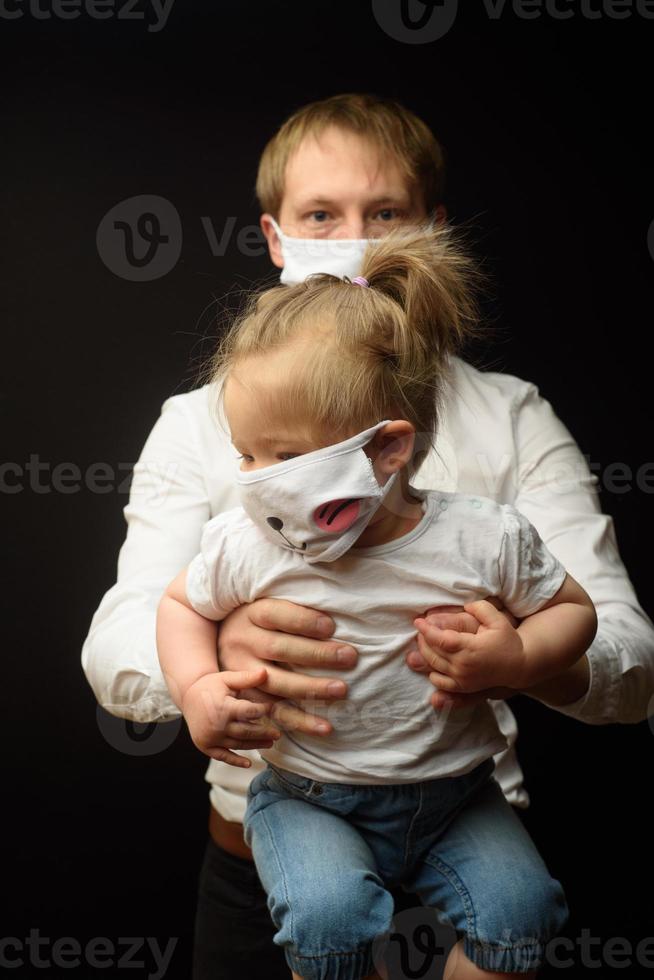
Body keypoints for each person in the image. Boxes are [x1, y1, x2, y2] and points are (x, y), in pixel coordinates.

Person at [81, 93, 654, 980]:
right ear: (276, 239)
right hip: (272, 864)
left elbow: (633, 661)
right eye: (321, 215)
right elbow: (114, 642)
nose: (353, 236)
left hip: (466, 839)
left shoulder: (510, 418)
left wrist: (526, 656)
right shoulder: (198, 420)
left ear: (430, 229)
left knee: (520, 918)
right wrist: (215, 649)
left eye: (383, 213)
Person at [155, 225, 598, 980]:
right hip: (309, 798)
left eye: (286, 457)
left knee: (522, 916)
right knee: (327, 924)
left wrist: (523, 655)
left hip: (457, 795)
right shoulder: (250, 541)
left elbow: (577, 611)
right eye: (247, 456)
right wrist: (197, 685)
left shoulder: (483, 539)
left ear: (386, 450)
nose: (258, 480)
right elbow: (178, 606)